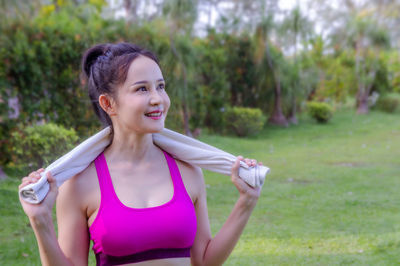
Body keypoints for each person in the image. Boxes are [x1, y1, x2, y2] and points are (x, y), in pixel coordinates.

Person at [19, 42, 262, 266]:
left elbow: (203, 261)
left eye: (161, 86)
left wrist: (246, 201)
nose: (158, 99)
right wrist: (41, 222)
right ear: (108, 104)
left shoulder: (188, 171)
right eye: (142, 89)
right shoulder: (80, 183)